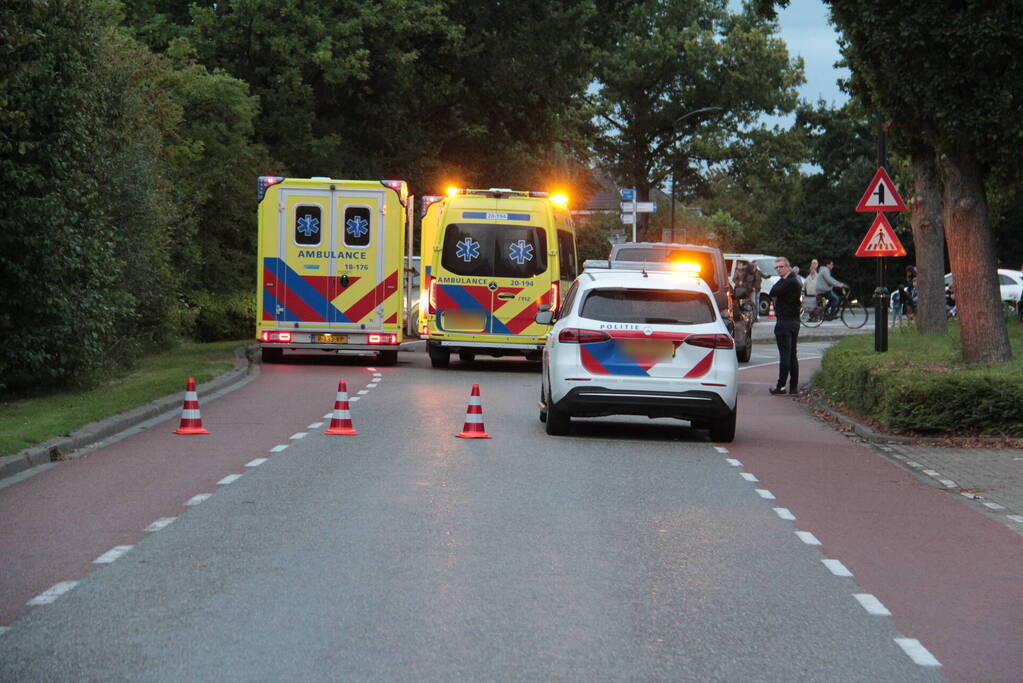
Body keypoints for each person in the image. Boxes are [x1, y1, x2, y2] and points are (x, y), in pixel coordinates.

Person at [769, 257, 802, 396]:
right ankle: (793, 387)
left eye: (781, 267)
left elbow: (772, 291)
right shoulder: (795, 280)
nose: (778, 269)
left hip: (785, 322)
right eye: (776, 267)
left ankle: (781, 386)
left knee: (785, 356)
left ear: (788, 267)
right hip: (794, 322)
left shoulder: (789, 282)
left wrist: (783, 278)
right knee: (792, 355)